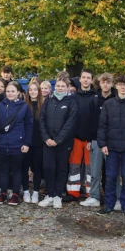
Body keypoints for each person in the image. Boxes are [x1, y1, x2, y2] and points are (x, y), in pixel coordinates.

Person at [95, 74, 125, 218]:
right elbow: (102, 126)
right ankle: (109, 205)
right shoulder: (108, 104)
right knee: (110, 176)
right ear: (116, 86)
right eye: (120, 84)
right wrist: (102, 143)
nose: (123, 87)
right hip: (111, 147)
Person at [37, 79, 79, 208]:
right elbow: (42, 120)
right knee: (48, 168)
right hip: (48, 142)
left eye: (63, 86)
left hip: (63, 143)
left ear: (67, 88)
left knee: (61, 169)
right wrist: (46, 138)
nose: (60, 88)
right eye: (58, 86)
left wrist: (58, 139)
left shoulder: (71, 102)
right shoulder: (49, 101)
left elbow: (70, 123)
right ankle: (50, 194)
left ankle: (58, 196)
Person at [82, 73, 119, 208]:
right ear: (100, 83)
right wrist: (89, 139)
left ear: (112, 84)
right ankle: (94, 196)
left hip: (112, 141)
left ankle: (115, 199)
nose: (105, 85)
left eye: (108, 82)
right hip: (96, 140)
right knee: (95, 171)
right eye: (103, 82)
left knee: (112, 171)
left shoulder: (116, 98)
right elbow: (90, 121)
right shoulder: (94, 99)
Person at [65, 70, 98, 203]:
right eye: (83, 77)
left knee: (91, 168)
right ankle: (73, 192)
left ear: (91, 80)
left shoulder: (96, 96)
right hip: (76, 137)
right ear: (80, 80)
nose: (85, 80)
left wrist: (92, 138)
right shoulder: (73, 97)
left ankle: (91, 193)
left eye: (88, 78)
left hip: (90, 139)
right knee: (74, 166)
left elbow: (97, 119)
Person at [24, 81, 45, 203]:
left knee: (37, 168)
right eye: (30, 90)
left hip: (38, 142)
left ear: (39, 92)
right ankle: (26, 190)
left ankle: (36, 192)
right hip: (26, 142)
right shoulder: (24, 105)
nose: (32, 92)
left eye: (35, 90)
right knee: (24, 167)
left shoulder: (43, 106)